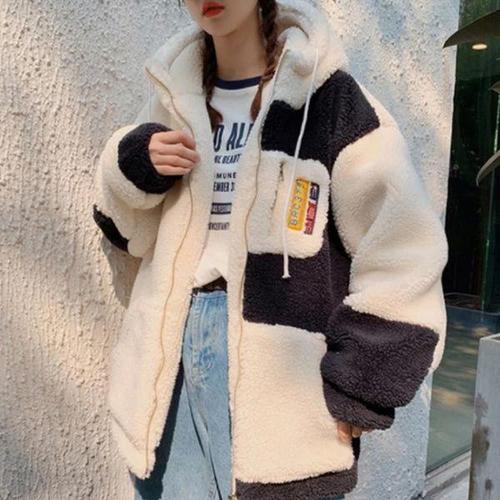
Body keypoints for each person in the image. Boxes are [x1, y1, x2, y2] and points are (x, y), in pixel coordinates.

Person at [91, 0, 449, 499]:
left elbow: (403, 243)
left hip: (281, 369)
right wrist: (134, 164)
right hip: (170, 350)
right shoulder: (175, 96)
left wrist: (364, 378)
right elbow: (125, 232)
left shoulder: (328, 99)